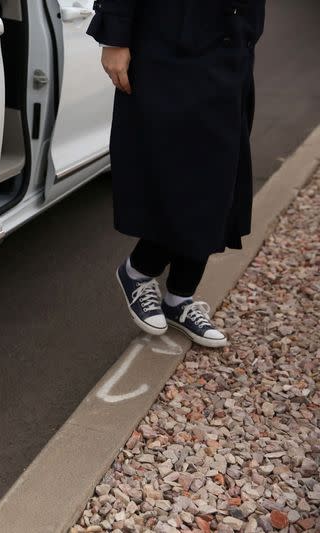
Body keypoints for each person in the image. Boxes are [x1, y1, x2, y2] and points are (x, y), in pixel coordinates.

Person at [86, 0, 266, 347]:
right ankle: (138, 270)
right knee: (176, 174)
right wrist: (115, 37)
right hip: (167, 48)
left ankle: (179, 298)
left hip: (231, 46)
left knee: (219, 182)